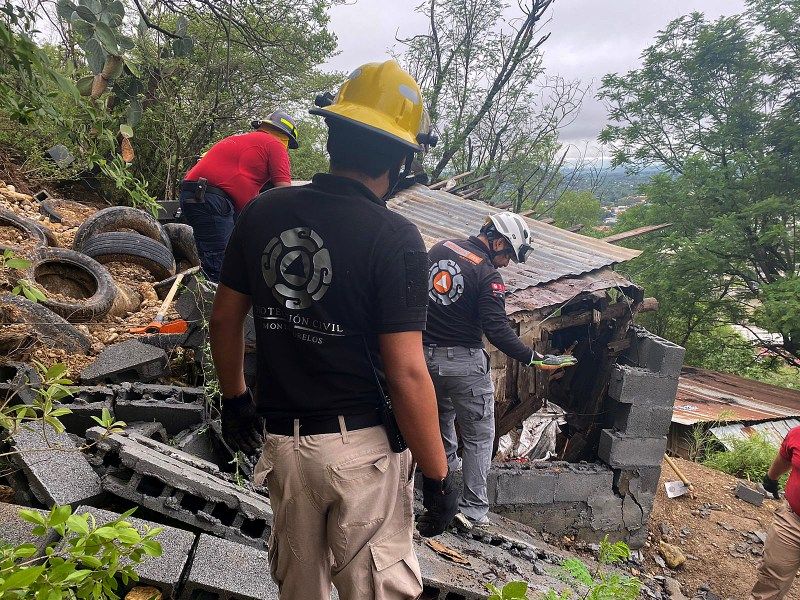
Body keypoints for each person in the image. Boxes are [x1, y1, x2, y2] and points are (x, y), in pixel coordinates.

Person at [209, 60, 457, 600]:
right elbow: (408, 372)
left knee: (300, 590)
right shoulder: (395, 238)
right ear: (402, 156)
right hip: (360, 453)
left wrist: (235, 401)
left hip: (285, 447)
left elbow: (226, 318)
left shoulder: (263, 212)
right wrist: (438, 476)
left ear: (332, 134)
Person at [424, 213, 577, 530]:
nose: (506, 263)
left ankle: (442, 494)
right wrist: (535, 359)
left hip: (425, 360)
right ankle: (473, 509)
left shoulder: (439, 249)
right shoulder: (488, 275)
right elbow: (497, 330)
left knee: (442, 425)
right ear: (496, 241)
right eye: (507, 254)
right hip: (464, 364)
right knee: (480, 436)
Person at [179, 111, 298, 281]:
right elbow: (284, 193)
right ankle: (212, 303)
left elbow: (246, 195)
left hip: (195, 195)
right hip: (212, 199)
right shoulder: (275, 144)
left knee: (218, 257)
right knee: (222, 263)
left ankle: (207, 297)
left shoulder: (242, 140)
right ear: (286, 137)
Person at [750, 425, 800, 599]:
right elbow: (785, 456)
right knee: (772, 578)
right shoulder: (797, 434)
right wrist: (771, 478)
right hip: (793, 521)